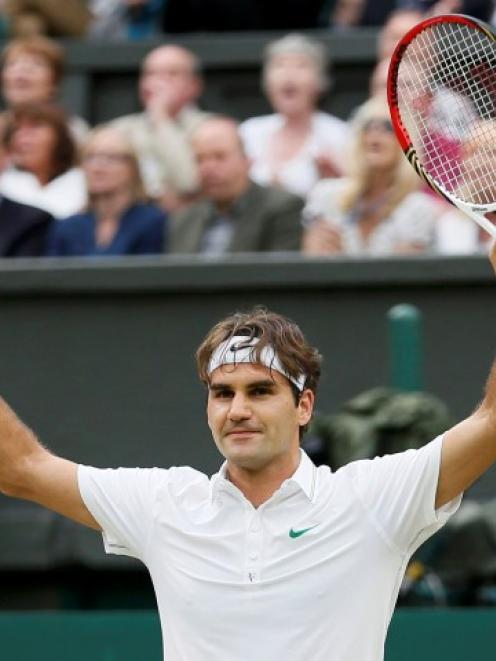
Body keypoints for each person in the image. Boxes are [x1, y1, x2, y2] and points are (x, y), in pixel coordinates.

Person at [3, 285, 496, 659]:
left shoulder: (371, 499)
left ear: (304, 406)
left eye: (260, 391)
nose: (237, 409)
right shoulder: (163, 503)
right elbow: (21, 467)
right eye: (223, 393)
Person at [302, 96, 443, 256]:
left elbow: (401, 275)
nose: (375, 135)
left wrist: (342, 260)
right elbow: (312, 265)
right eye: (368, 126)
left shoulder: (418, 209)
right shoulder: (326, 196)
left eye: (388, 127)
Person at [239, 33, 350, 199]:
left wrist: (337, 181)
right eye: (279, 65)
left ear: (320, 81)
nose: (288, 75)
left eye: (301, 66)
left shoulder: (339, 135)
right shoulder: (248, 131)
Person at [170, 116, 303, 254]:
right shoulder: (183, 221)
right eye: (200, 159)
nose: (208, 168)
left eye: (219, 157)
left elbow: (280, 272)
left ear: (247, 161)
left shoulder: (281, 209)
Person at [109, 44, 208, 209]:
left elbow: (190, 183)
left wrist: (161, 119)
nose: (158, 82)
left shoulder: (212, 128)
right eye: (150, 74)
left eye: (172, 74)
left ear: (194, 85)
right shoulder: (118, 130)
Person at [45, 126, 167, 257]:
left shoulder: (152, 222)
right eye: (90, 158)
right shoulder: (68, 227)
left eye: (111, 158)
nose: (97, 167)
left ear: (132, 168)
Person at [0, 103, 86, 219]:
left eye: (35, 127)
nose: (22, 137)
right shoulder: (4, 182)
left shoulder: (84, 182)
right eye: (16, 129)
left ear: (60, 136)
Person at [1, 36, 89, 142]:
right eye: (13, 63)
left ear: (54, 84)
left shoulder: (72, 130)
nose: (22, 69)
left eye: (37, 63)